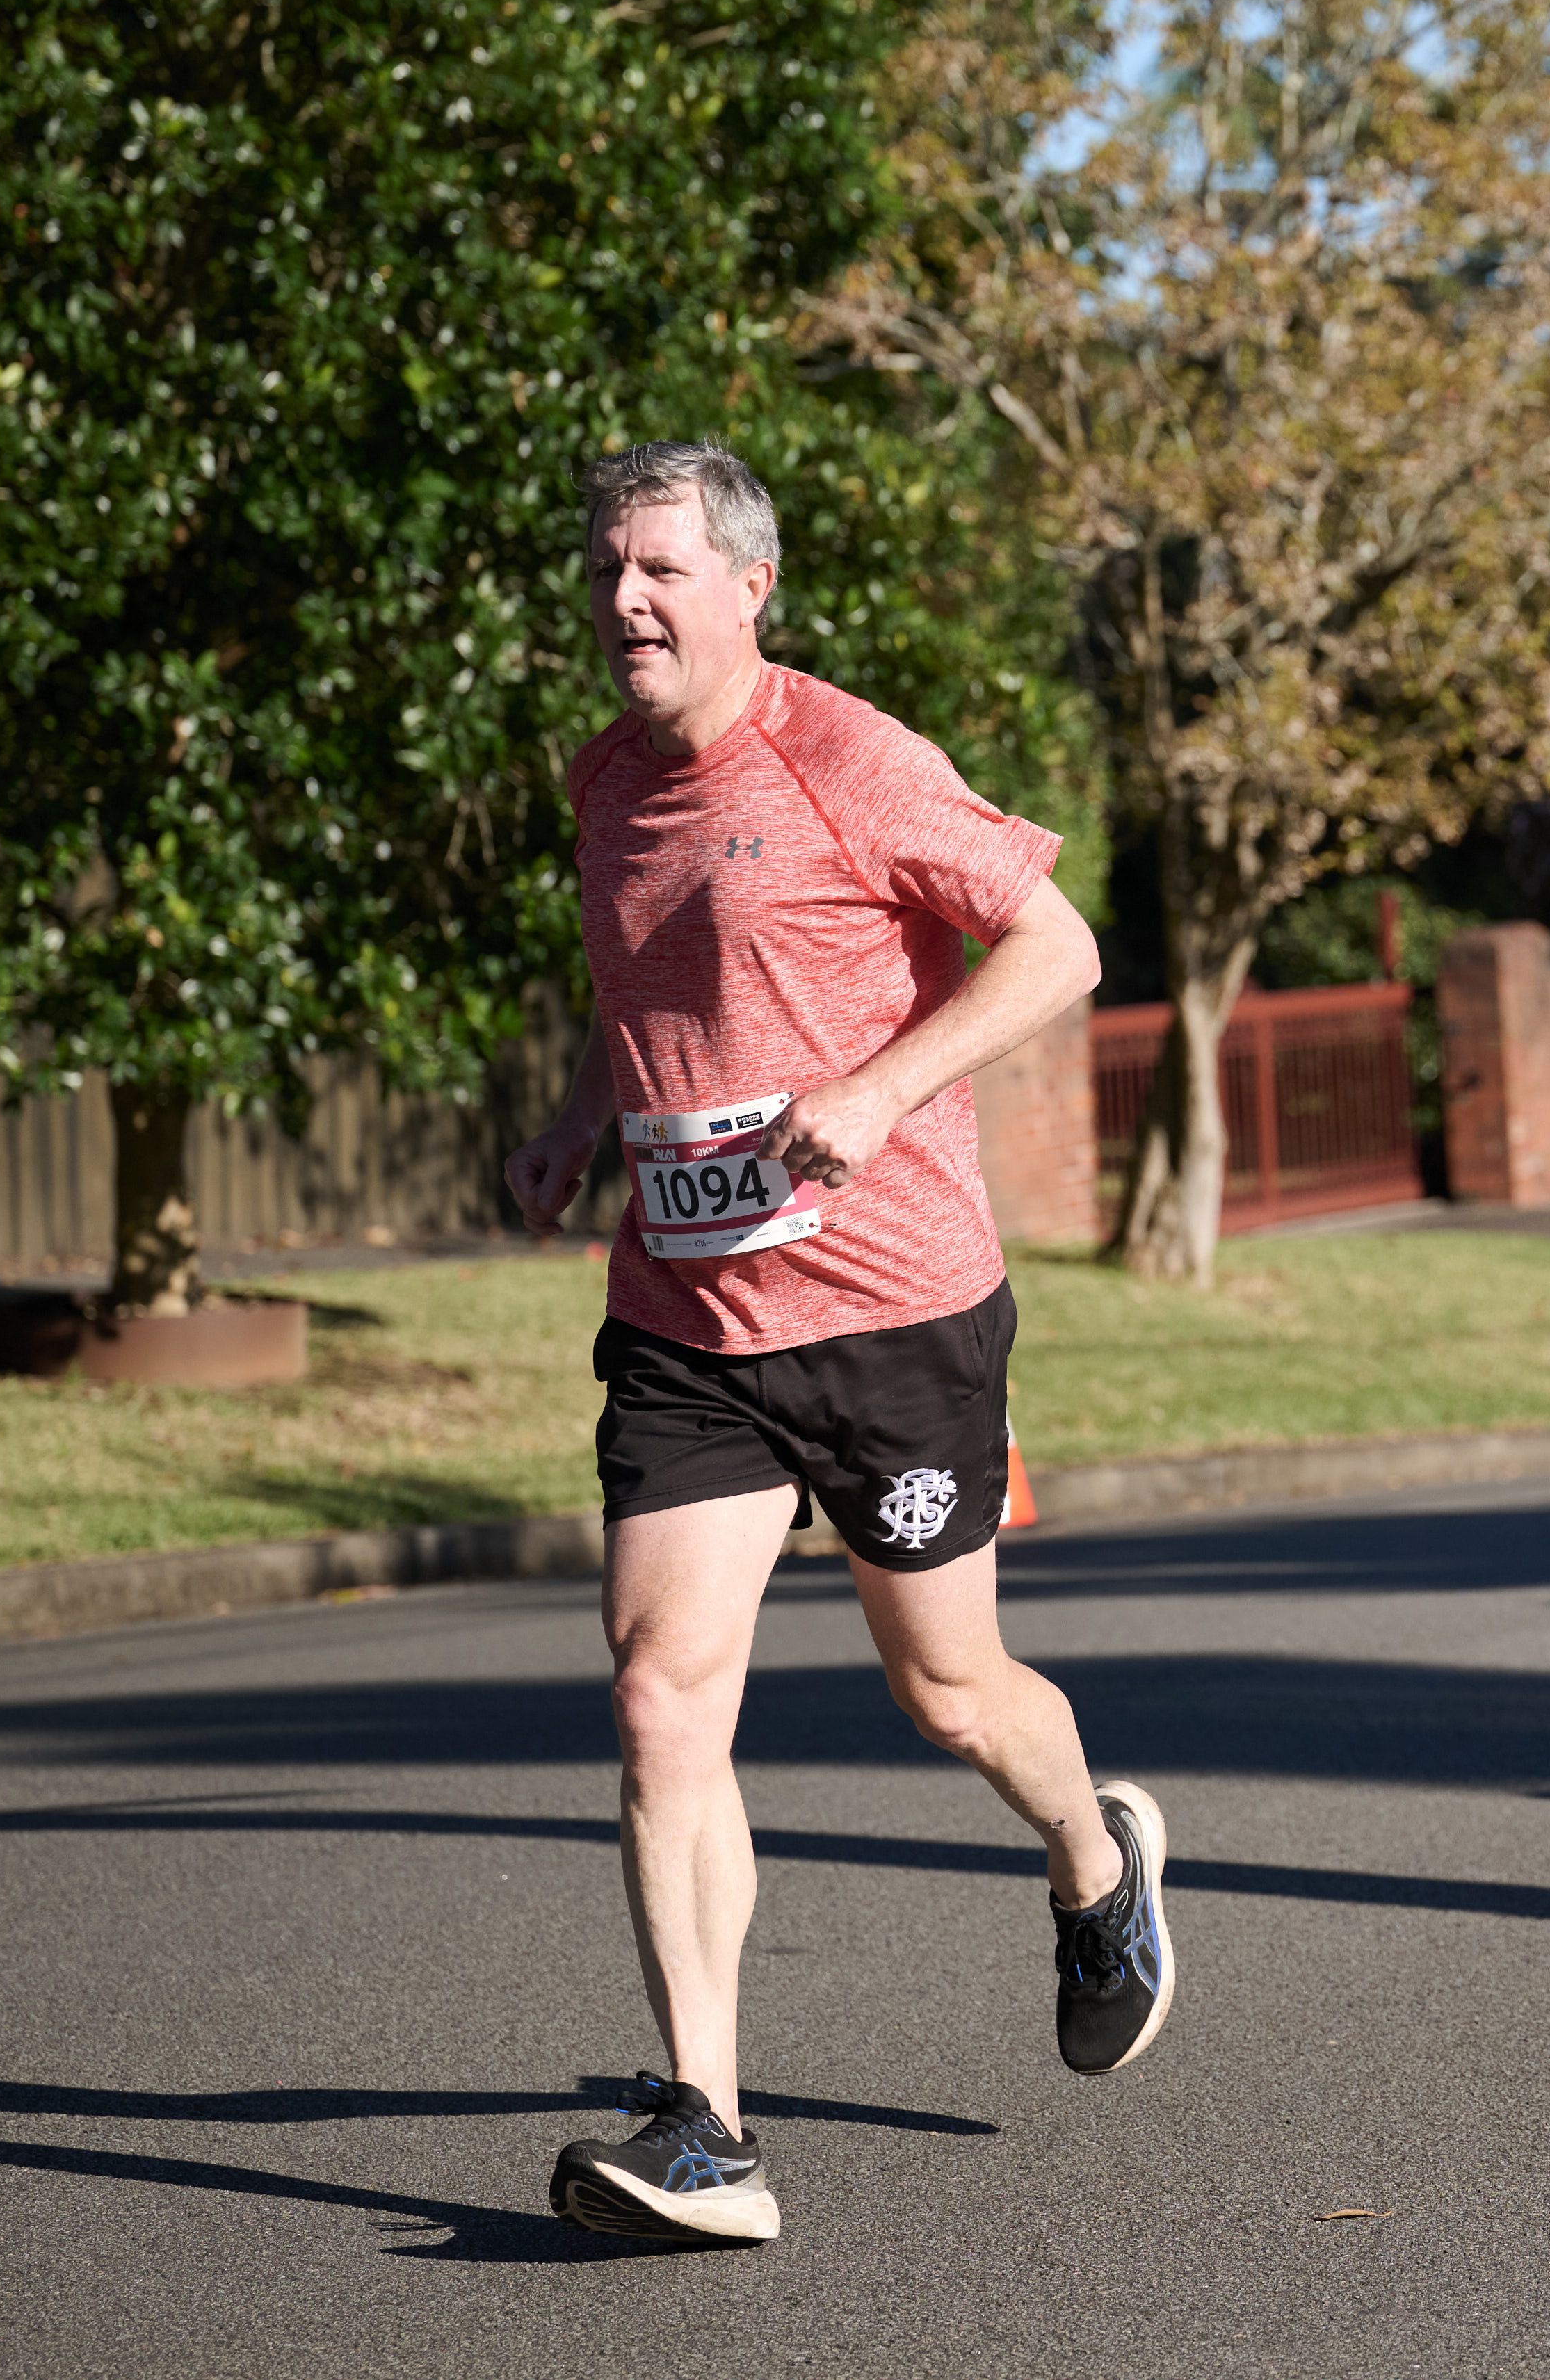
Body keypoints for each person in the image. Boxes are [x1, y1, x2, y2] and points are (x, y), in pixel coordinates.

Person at [503, 442, 1163, 2247]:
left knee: (943, 1689)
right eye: (604, 568)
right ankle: (702, 2121)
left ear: (745, 586)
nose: (622, 601)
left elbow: (1058, 945)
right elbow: (639, 991)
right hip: (685, 1316)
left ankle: (1095, 1855)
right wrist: (583, 1119)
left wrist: (879, 1089)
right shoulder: (598, 784)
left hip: (891, 1307)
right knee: (658, 1694)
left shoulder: (847, 756)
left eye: (656, 569)